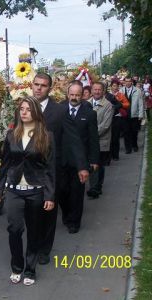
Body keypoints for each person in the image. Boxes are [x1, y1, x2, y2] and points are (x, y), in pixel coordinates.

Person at [0, 96, 55, 286]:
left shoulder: (47, 136)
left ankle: (30, 268)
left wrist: (50, 195)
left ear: (36, 112)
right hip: (14, 190)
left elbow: (50, 167)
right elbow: (5, 165)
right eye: (21, 109)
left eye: (28, 109)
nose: (24, 112)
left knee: (34, 231)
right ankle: (16, 266)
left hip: (36, 190)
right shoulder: (12, 135)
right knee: (14, 229)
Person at [30, 73, 88, 265]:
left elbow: (73, 139)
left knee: (48, 211)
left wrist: (81, 166)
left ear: (50, 88)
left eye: (43, 86)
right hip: (28, 170)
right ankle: (33, 244)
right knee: (31, 211)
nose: (39, 88)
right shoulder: (23, 107)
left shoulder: (60, 111)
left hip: (51, 170)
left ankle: (44, 249)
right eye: (36, 84)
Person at [59, 81, 99, 233]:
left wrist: (94, 160)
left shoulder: (89, 113)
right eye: (72, 94)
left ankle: (74, 222)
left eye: (77, 95)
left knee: (76, 193)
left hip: (79, 162)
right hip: (62, 159)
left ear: (82, 95)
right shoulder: (60, 109)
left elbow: (93, 139)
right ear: (67, 94)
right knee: (62, 190)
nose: (74, 98)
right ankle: (67, 213)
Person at [87, 82, 113, 199]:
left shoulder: (108, 105)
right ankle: (93, 186)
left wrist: (92, 135)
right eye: (95, 89)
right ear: (91, 90)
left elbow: (105, 125)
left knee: (98, 164)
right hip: (88, 141)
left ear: (103, 91)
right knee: (90, 164)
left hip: (100, 140)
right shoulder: (86, 103)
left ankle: (96, 188)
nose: (97, 92)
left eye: (99, 90)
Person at [120, 76, 144, 153]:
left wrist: (141, 114)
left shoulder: (137, 90)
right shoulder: (121, 91)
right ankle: (128, 148)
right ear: (124, 82)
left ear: (131, 82)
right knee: (126, 132)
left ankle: (134, 145)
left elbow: (140, 103)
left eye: (129, 81)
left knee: (134, 132)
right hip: (124, 115)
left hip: (134, 114)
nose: (127, 83)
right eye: (126, 81)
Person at [110, 80, 130, 160]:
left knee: (116, 137)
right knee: (110, 138)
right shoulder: (108, 95)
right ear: (111, 86)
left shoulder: (121, 95)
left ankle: (116, 155)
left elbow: (127, 104)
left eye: (116, 86)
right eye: (114, 86)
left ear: (118, 87)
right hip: (109, 117)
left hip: (118, 117)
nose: (115, 87)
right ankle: (110, 154)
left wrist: (120, 104)